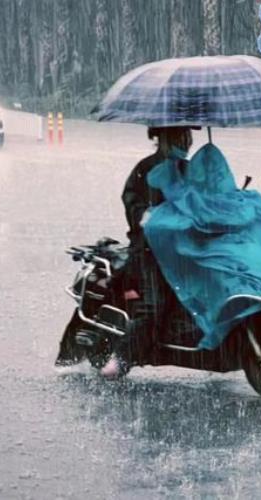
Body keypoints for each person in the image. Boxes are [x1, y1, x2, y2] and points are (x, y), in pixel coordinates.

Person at [100, 126, 194, 378]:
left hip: (185, 247)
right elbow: (129, 197)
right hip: (150, 249)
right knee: (155, 307)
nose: (186, 141)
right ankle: (121, 358)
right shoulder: (145, 168)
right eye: (180, 136)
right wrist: (143, 215)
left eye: (187, 136)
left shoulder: (189, 170)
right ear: (163, 138)